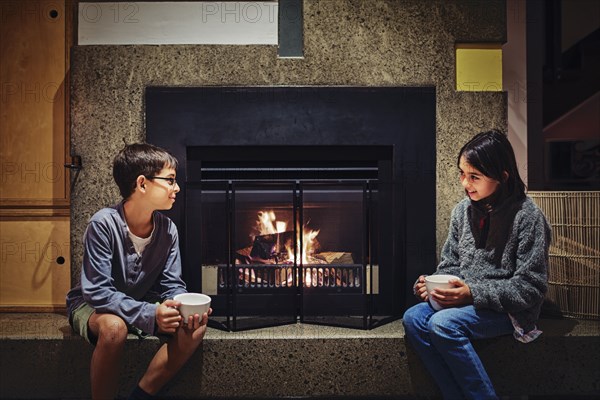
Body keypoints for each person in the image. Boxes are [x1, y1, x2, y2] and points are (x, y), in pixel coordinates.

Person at [402, 129, 551, 400]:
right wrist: (432, 285)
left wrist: (472, 293)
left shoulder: (528, 217)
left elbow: (531, 287)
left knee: (443, 325)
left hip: (512, 311)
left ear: (502, 177)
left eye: (474, 177)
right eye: (461, 173)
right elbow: (450, 264)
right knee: (413, 318)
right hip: (468, 303)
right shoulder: (462, 211)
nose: (464, 183)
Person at [66, 143, 211, 400]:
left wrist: (185, 306)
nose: (176, 188)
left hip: (142, 302)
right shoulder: (103, 223)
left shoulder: (168, 230)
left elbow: (172, 284)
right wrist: (150, 313)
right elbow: (97, 291)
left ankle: (141, 395)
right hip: (92, 306)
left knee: (194, 328)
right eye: (170, 180)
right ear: (142, 184)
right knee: (114, 329)